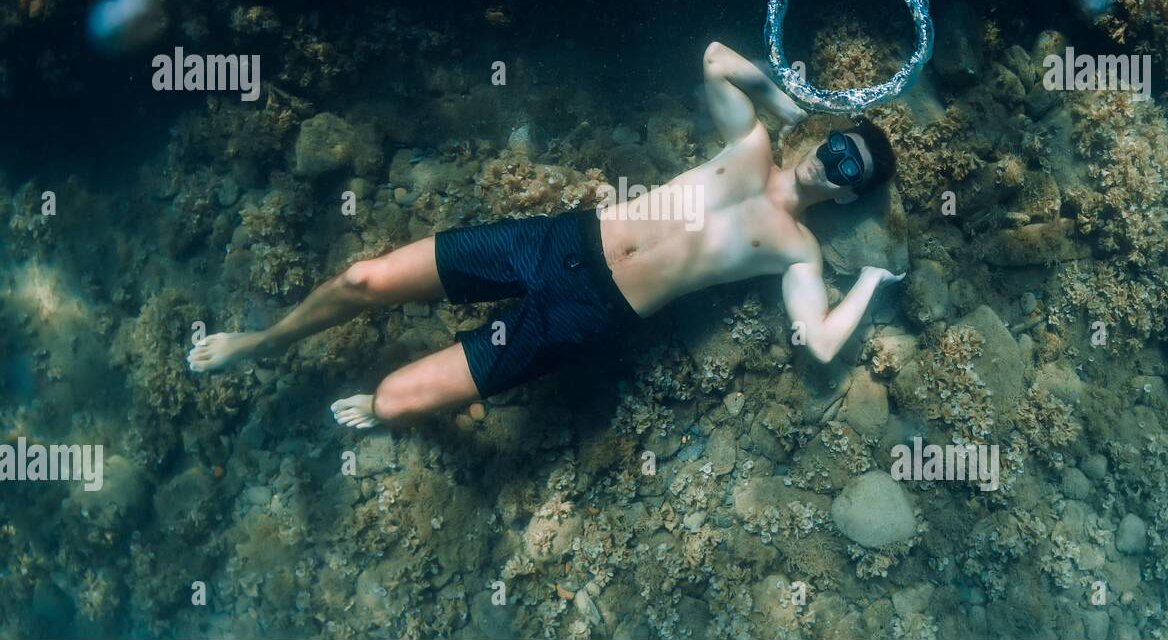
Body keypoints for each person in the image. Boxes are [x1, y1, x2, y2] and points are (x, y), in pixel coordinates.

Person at [188, 42, 904, 428]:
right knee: (361, 280)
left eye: (848, 167)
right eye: (837, 144)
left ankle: (379, 410)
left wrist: (871, 280)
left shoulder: (798, 249)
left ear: (847, 192)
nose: (831, 160)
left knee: (395, 401)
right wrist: (792, 107)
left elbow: (819, 341)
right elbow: (716, 58)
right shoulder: (747, 144)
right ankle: (262, 342)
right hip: (556, 240)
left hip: (590, 314)